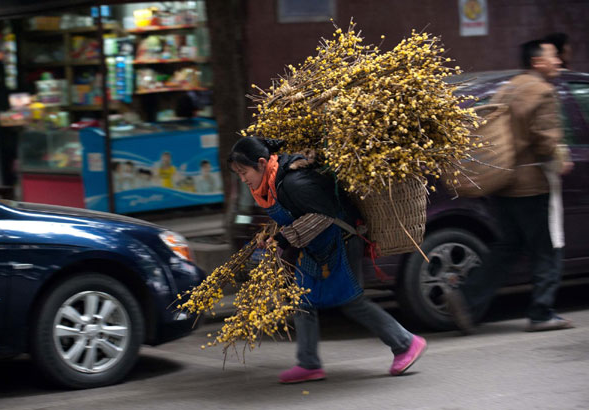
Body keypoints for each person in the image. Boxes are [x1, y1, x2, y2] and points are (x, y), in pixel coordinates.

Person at [228, 136, 427, 384]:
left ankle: (406, 343)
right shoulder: (272, 184)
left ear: (260, 163)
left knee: (351, 300)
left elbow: (324, 216)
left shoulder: (293, 182)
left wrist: (283, 238)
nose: (243, 178)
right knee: (302, 301)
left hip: (340, 241)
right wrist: (271, 236)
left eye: (244, 171)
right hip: (316, 245)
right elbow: (295, 215)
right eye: (238, 174)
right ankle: (309, 364)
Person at [446, 39, 574, 333]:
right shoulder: (542, 92)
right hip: (532, 185)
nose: (558, 62)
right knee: (547, 248)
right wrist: (560, 158)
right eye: (553, 57)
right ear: (537, 62)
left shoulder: (509, 87)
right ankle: (542, 312)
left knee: (508, 246)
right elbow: (544, 141)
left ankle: (465, 299)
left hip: (503, 181)